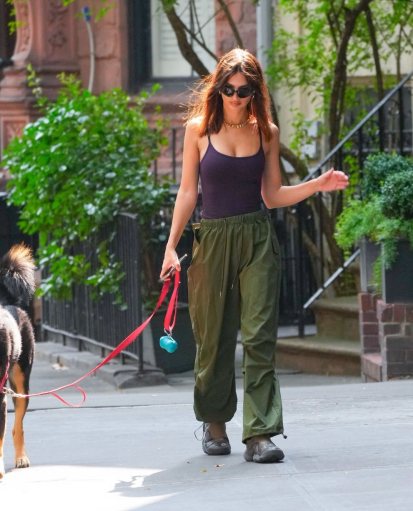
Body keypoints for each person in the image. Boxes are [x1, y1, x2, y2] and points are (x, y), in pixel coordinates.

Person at [160, 48, 349, 463]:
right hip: (212, 239)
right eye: (227, 89)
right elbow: (188, 192)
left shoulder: (266, 131)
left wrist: (317, 184)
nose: (235, 97)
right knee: (213, 338)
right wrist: (172, 246)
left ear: (254, 91)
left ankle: (260, 433)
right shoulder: (198, 130)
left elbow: (273, 195)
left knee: (261, 335)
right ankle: (214, 423)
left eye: (243, 91)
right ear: (218, 87)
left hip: (257, 236)